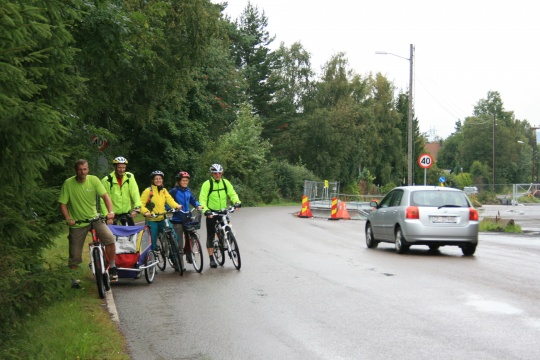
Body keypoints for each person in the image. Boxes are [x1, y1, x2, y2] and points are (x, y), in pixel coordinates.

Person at [58, 159, 119, 282]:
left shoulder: (94, 180)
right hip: (78, 223)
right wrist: (68, 218)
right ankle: (73, 279)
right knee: (74, 256)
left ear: (88, 169)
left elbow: (105, 197)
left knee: (110, 239)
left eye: (85, 169)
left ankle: (112, 266)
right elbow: (63, 204)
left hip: (94, 219)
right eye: (80, 170)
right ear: (76, 170)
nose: (82, 172)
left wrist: (110, 212)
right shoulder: (68, 183)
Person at [199, 163, 241, 268]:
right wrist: (206, 210)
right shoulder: (207, 184)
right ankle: (212, 258)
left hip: (222, 211)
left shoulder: (225, 183)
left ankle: (230, 246)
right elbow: (202, 199)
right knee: (211, 235)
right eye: (215, 173)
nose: (218, 175)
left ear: (222, 173)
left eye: (219, 173)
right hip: (211, 213)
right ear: (212, 174)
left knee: (229, 229)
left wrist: (236, 202)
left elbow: (232, 193)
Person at [140, 170, 182, 251]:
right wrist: (146, 212)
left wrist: (177, 206)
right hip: (152, 219)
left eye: (160, 178)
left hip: (163, 218)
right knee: (153, 241)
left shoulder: (164, 190)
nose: (158, 180)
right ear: (153, 180)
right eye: (156, 178)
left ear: (162, 180)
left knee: (174, 236)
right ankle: (154, 254)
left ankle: (173, 256)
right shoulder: (148, 191)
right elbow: (141, 204)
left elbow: (170, 200)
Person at [169, 171, 203, 265]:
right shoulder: (174, 191)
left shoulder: (188, 190)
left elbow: (193, 200)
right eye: (183, 180)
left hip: (187, 217)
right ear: (179, 181)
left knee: (191, 237)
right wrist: (171, 209)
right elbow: (167, 201)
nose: (185, 182)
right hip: (178, 219)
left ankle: (189, 254)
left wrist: (197, 205)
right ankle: (179, 262)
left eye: (186, 180)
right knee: (179, 242)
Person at [100, 156, 142, 225]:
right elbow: (103, 200)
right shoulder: (107, 180)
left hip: (126, 213)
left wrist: (137, 207)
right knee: (112, 235)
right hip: (112, 214)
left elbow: (135, 192)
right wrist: (107, 215)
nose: (122, 170)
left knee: (133, 233)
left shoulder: (129, 177)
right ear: (115, 167)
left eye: (124, 168)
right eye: (119, 167)